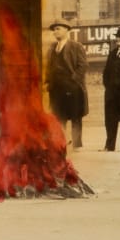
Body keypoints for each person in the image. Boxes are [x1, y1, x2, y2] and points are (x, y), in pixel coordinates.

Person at [43, 20, 88, 149]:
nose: (55, 32)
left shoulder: (76, 46)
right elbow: (49, 67)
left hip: (73, 89)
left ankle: (77, 145)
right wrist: (48, 81)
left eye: (58, 29)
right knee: (58, 117)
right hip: (56, 89)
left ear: (67, 30)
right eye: (54, 30)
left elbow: (83, 66)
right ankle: (61, 143)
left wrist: (73, 80)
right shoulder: (52, 48)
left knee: (75, 117)